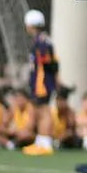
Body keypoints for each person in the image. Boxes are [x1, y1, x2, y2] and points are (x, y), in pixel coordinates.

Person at [21, 9, 60, 156]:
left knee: (44, 112)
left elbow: (49, 64)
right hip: (40, 82)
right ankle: (40, 140)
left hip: (42, 83)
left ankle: (45, 143)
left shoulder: (42, 42)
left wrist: (49, 82)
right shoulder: (41, 41)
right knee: (39, 111)